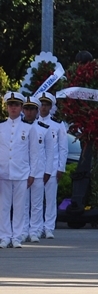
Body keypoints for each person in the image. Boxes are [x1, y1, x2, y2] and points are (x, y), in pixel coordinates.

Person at [0, 92, 41, 249]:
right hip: (3, 172)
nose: (13, 108)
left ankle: (17, 236)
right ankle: (4, 236)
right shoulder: (1, 127)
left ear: (21, 108)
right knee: (3, 206)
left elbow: (34, 153)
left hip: (22, 172)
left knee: (19, 206)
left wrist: (32, 174)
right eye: (10, 105)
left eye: (16, 105)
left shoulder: (28, 128)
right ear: (6, 107)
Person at [19, 96, 53, 243]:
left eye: (32, 109)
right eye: (26, 108)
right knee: (23, 203)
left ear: (36, 110)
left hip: (39, 171)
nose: (29, 112)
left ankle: (35, 231)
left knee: (37, 204)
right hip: (22, 172)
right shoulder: (18, 127)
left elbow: (50, 152)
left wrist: (48, 171)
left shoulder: (44, 129)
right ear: (23, 110)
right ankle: (23, 231)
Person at [38, 92, 68, 238]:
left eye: (46, 105)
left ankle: (49, 227)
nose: (43, 108)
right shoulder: (31, 122)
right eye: (41, 104)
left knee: (50, 199)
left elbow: (63, 147)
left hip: (53, 167)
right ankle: (36, 227)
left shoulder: (57, 124)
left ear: (51, 107)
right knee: (35, 200)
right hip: (36, 168)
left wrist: (61, 167)